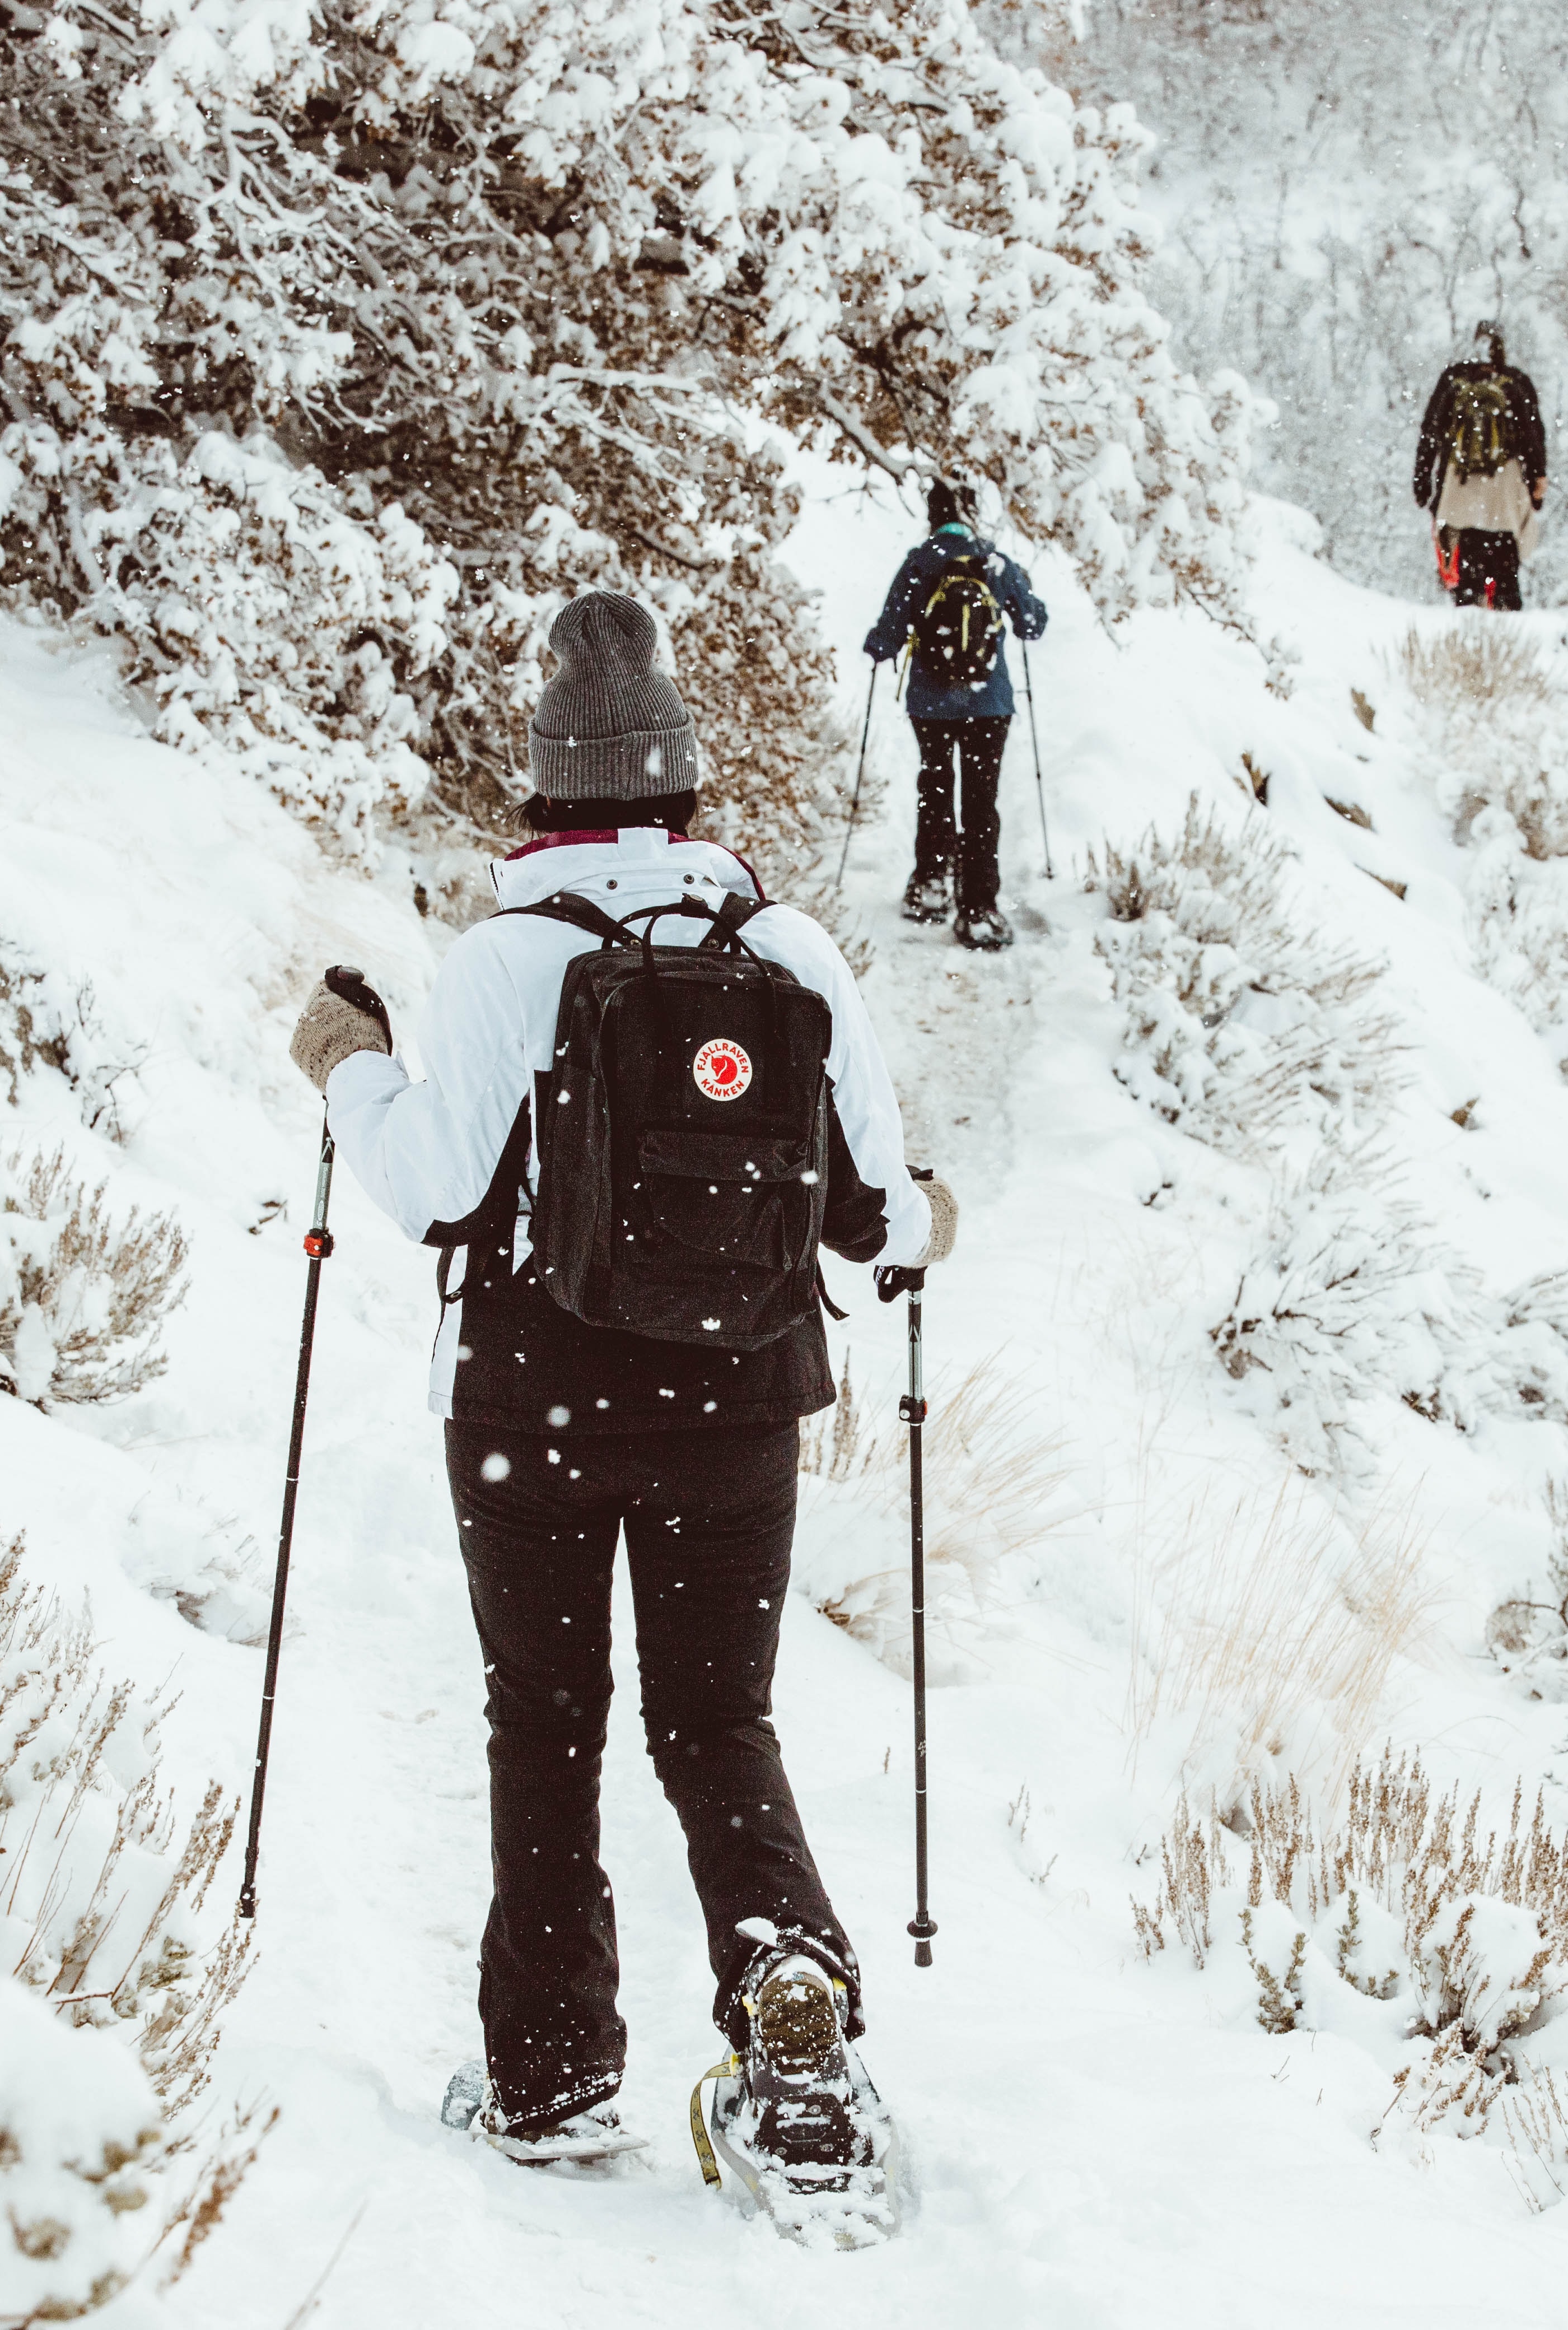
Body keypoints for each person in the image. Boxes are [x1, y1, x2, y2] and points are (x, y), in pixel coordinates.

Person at [284, 590, 956, 2192]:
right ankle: (787, 1984)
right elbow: (877, 1222)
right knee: (717, 1717)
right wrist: (936, 1214)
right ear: (683, 781)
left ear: (543, 785)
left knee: (548, 1720)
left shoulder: (505, 958)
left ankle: (552, 2073)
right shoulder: (786, 949)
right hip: (737, 1409)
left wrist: (347, 1063)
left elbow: (440, 1195)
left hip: (532, 1407)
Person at [861, 479, 1048, 951]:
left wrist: (877, 644)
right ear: (972, 512)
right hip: (990, 705)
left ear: (933, 514)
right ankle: (979, 908)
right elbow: (1032, 624)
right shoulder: (994, 560)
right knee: (981, 800)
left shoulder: (921, 560)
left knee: (936, 787)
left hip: (932, 704)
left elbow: (890, 632)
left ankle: (930, 885)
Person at [1412, 323, 1548, 612]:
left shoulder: (1454, 379)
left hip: (1460, 489)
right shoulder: (1515, 382)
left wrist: (1423, 482)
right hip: (1504, 492)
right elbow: (1533, 435)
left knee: (1468, 577)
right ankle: (1506, 627)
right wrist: (1538, 483)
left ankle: (1469, 627)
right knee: (1505, 575)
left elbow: (1430, 431)